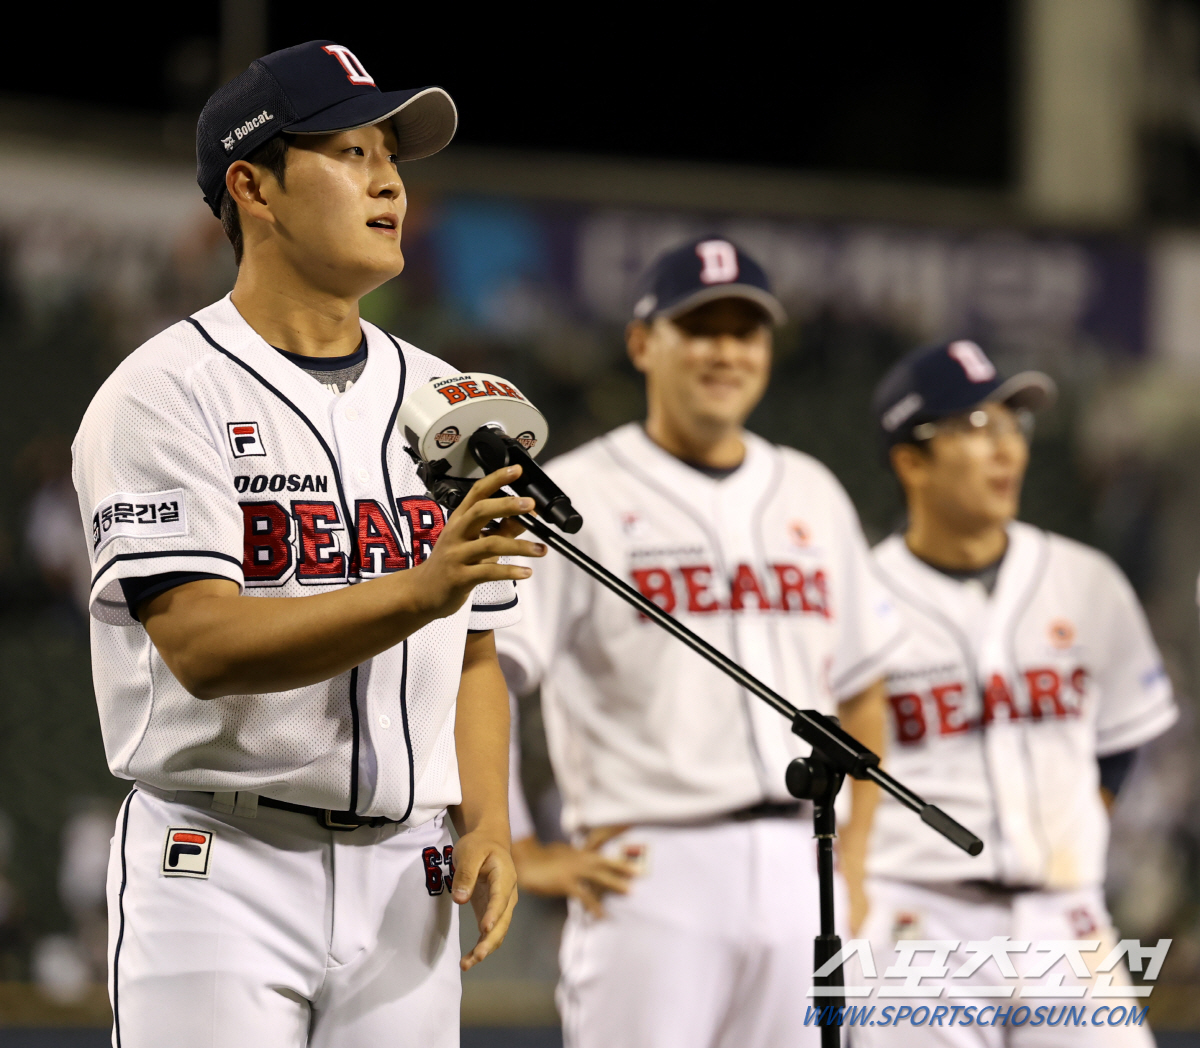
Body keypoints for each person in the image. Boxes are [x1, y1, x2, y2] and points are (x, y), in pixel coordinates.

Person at [70, 40, 545, 1048]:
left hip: (407, 877)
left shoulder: (450, 400)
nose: (387, 179)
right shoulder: (165, 392)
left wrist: (491, 823)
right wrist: (420, 590)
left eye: (391, 155)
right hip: (221, 859)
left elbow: (475, 650)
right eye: (347, 151)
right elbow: (204, 646)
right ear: (255, 186)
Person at [496, 235, 903, 1048]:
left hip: (803, 861)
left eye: (744, 331)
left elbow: (863, 684)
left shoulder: (810, 490)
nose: (726, 351)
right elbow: (489, 670)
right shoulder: (577, 494)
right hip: (648, 868)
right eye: (701, 328)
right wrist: (514, 845)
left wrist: (854, 859)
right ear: (643, 343)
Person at [856, 340, 1178, 1046]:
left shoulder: (1086, 580)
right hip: (917, 926)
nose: (1006, 449)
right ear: (911, 459)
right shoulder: (858, 601)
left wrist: (1073, 831)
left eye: (1014, 425)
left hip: (1067, 922)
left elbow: (1122, 739)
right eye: (976, 428)